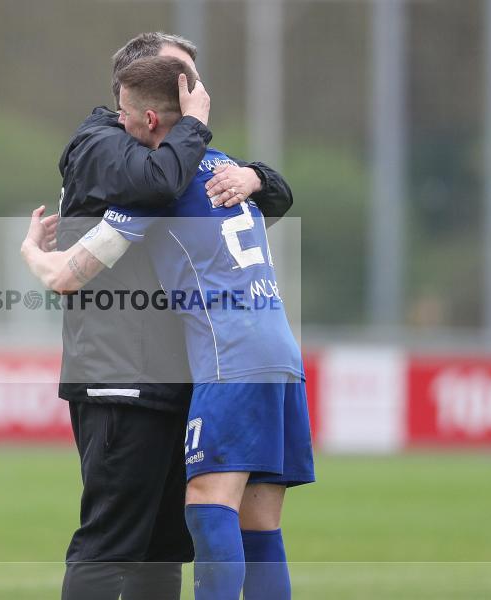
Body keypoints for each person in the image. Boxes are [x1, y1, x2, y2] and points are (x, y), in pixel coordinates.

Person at [22, 56, 314, 600]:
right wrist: (259, 177)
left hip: (229, 357)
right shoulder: (228, 171)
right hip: (280, 352)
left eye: (125, 117)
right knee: (261, 526)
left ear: (151, 120)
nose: (120, 127)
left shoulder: (156, 192)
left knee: (207, 510)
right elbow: (273, 195)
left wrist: (30, 251)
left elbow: (65, 276)